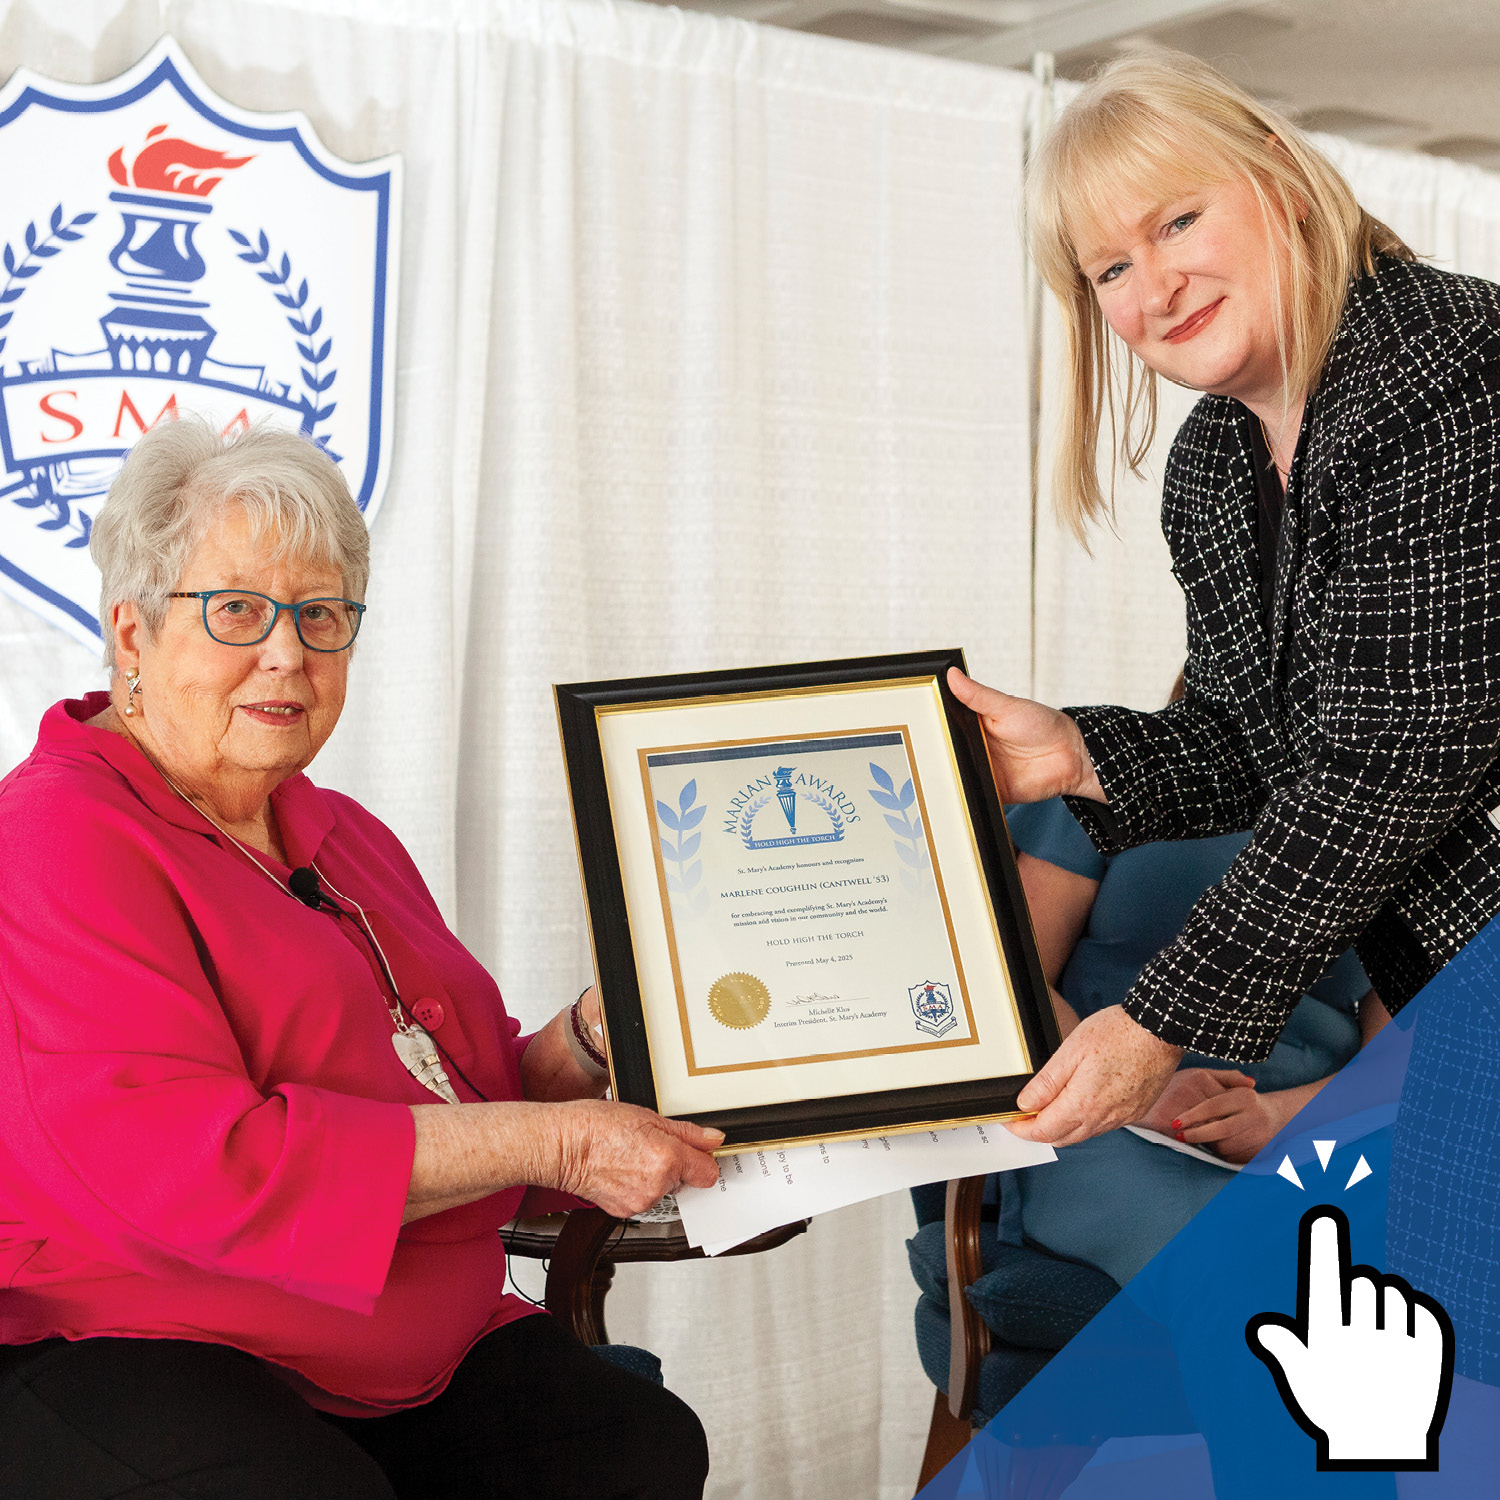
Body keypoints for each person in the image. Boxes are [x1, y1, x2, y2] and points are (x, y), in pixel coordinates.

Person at [947, 49, 1500, 1480]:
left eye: (1176, 222)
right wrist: (1078, 750)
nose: (1152, 288)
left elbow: (1403, 755)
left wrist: (1156, 1026)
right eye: (1108, 269)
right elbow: (1269, 751)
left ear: (1274, 178)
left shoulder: (1453, 373)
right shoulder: (1211, 465)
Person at [0, 419, 721, 1500]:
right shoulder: (57, 836)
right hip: (133, 1336)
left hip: (398, 1352)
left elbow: (442, 1100)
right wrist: (562, 1140)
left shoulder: (339, 833)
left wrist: (580, 1045)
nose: (288, 652)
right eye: (238, 609)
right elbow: (202, 1173)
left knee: (636, 1444)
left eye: (322, 616)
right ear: (134, 635)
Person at [1003, 791, 1388, 1287]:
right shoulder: (1097, 776)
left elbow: (1403, 1056)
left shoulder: (1399, 819)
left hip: (1319, 1126)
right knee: (1252, 1263)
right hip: (1106, 1124)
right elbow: (1014, 988)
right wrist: (1134, 1095)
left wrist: (1278, 1118)